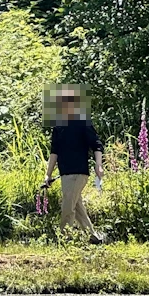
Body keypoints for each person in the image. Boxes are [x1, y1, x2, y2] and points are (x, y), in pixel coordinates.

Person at [43, 84, 106, 244]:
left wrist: (99, 165)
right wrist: (48, 175)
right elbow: (54, 152)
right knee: (76, 206)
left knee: (67, 207)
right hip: (65, 174)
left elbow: (97, 145)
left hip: (78, 173)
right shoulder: (58, 127)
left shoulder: (83, 123)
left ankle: (64, 239)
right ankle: (94, 237)